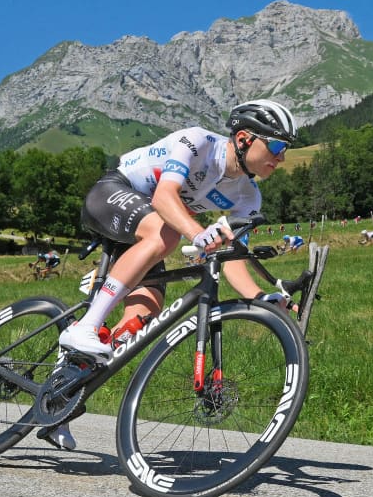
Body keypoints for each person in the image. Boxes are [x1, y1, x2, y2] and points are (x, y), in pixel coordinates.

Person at [48, 99, 298, 451]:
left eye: (286, 149)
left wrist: (260, 298)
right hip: (114, 193)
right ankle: (83, 328)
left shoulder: (247, 195)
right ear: (243, 138)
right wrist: (198, 234)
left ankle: (61, 394)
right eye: (276, 146)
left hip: (150, 230)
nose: (281, 157)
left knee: (140, 319)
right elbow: (165, 198)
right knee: (165, 234)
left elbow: (231, 258)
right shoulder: (196, 143)